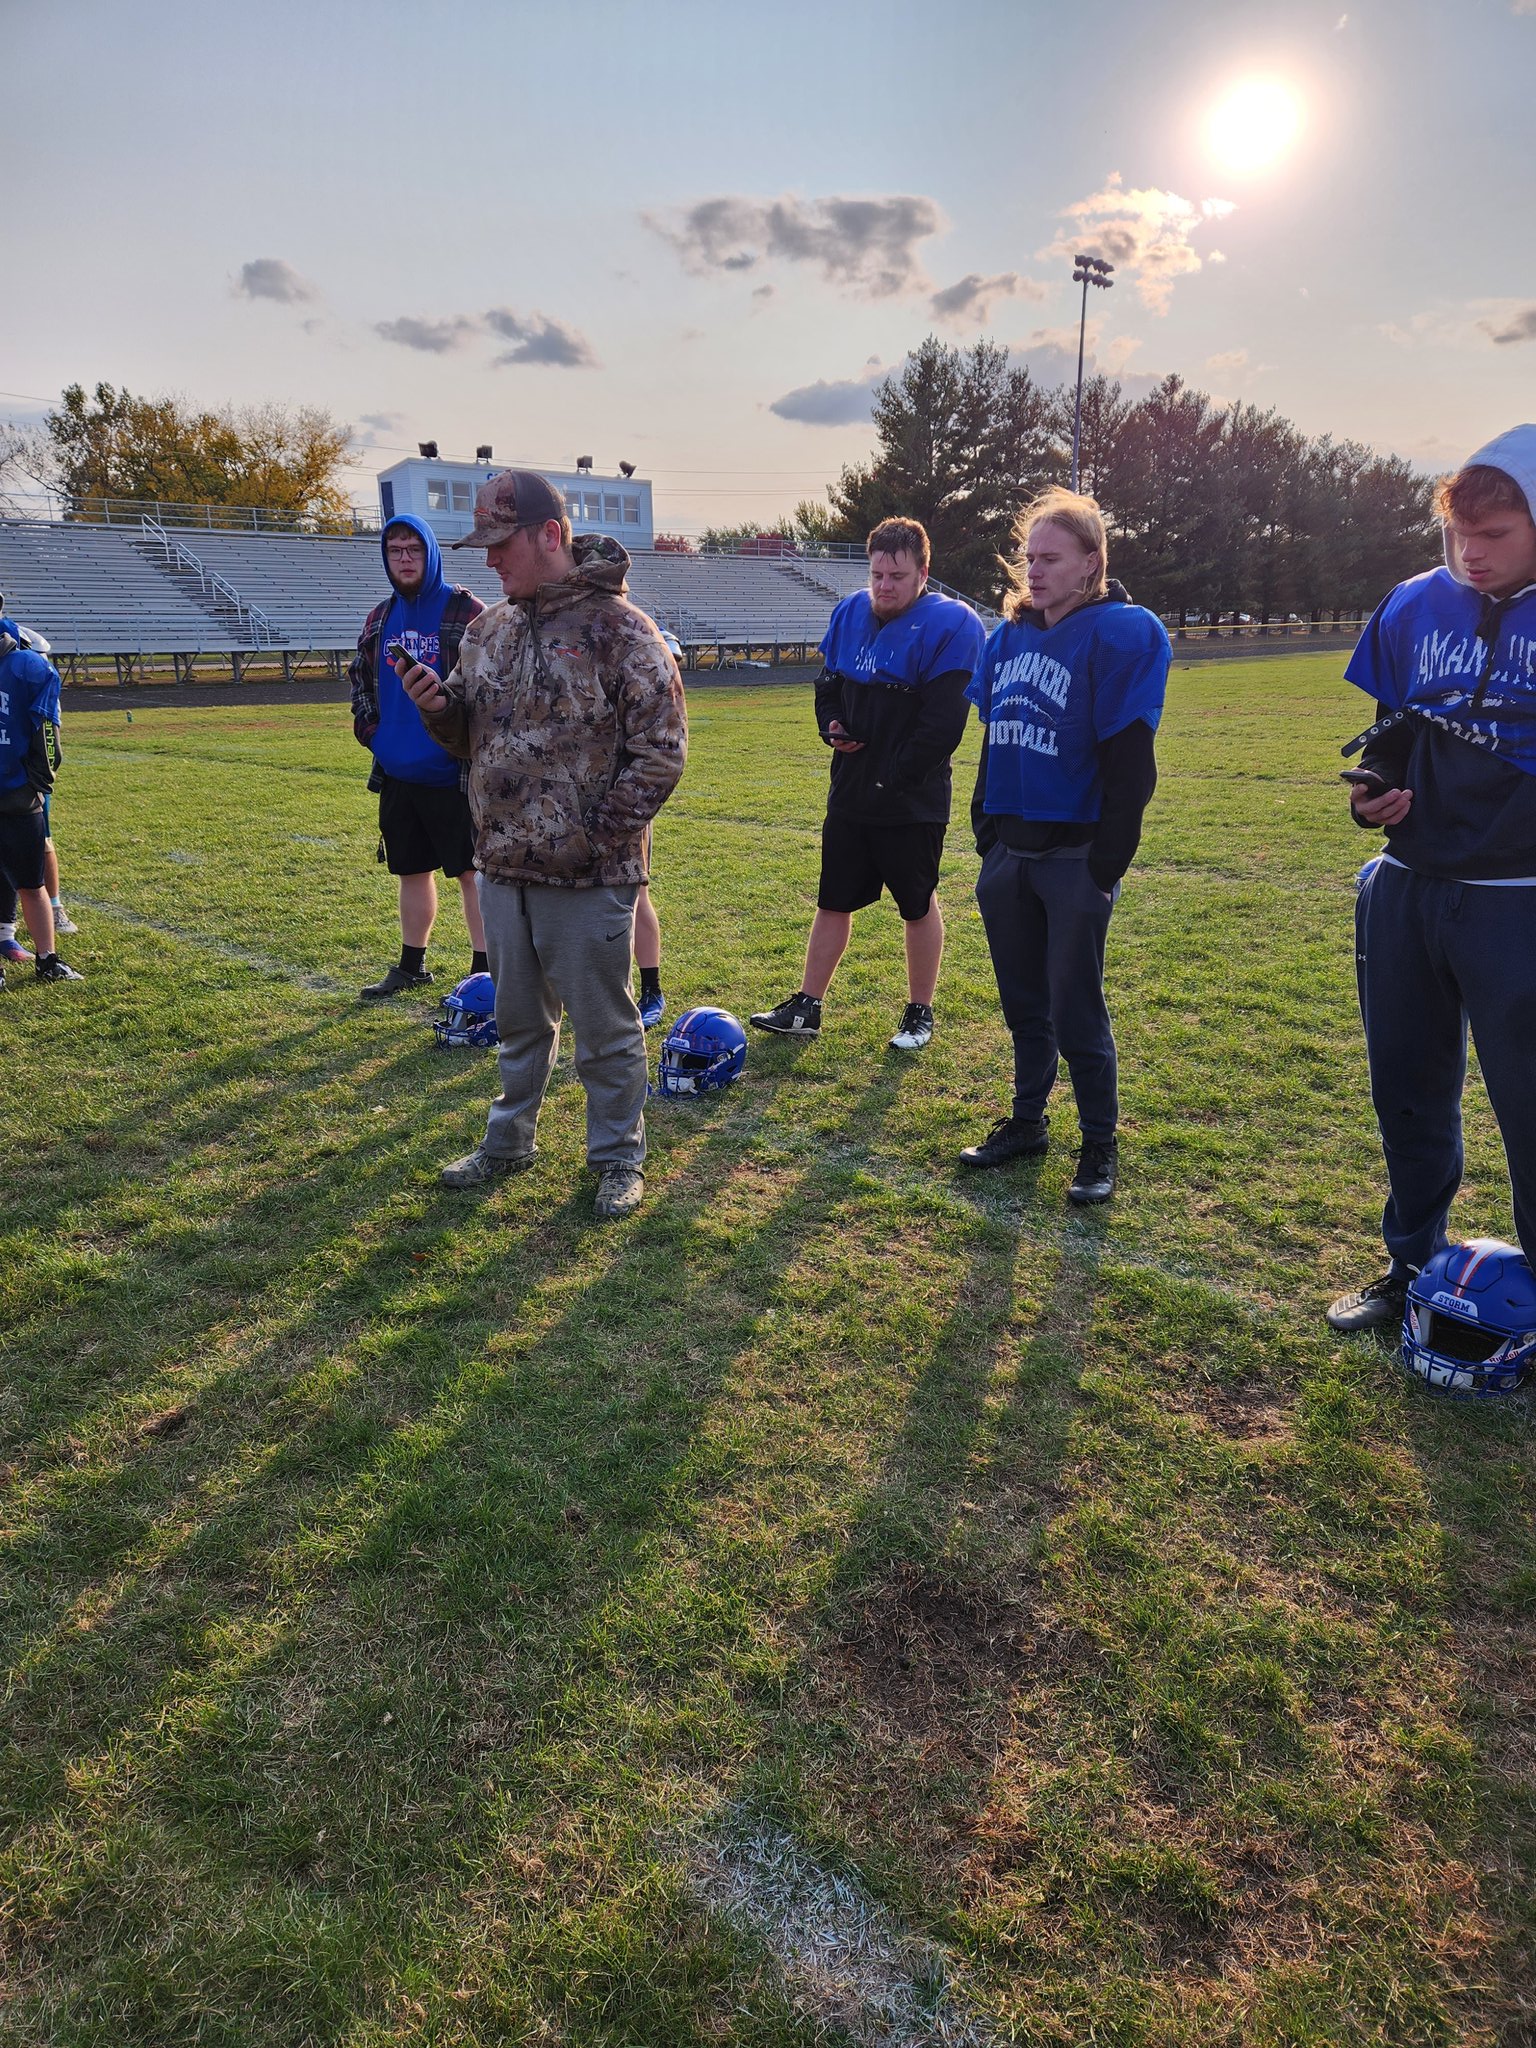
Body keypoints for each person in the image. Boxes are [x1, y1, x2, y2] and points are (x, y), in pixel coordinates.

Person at [399, 469, 687, 1220]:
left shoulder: (622, 631)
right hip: (503, 866)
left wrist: (597, 838)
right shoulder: (487, 630)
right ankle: (508, 1143)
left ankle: (618, 1159)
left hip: (589, 874)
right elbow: (470, 736)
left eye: (502, 544)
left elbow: (661, 751)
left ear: (549, 535)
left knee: (604, 1030)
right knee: (519, 1023)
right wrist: (438, 710)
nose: (489, 561)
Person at [1327, 425, 1536, 1331]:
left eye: (1494, 535)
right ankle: (1412, 1261)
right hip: (1407, 885)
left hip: (1520, 896)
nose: (1471, 555)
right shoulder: (1416, 603)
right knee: (1406, 1088)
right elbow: (1395, 730)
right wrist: (1373, 792)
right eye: (1459, 535)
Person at [959, 488, 1168, 1203]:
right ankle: (1026, 1122)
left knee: (1076, 1006)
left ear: (1090, 564)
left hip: (1075, 853)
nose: (1035, 571)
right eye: (1029, 557)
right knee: (1024, 1003)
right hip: (1011, 851)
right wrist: (986, 829)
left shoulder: (1122, 631)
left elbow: (1132, 764)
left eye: (1051, 559)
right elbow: (993, 741)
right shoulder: (1009, 636)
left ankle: (1099, 1145)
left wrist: (1106, 864)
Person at [748, 517, 985, 1051]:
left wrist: (894, 778)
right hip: (851, 787)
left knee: (917, 902)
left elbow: (942, 726)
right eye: (877, 573)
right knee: (832, 899)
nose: (884, 585)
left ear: (924, 573)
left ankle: (920, 1010)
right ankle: (807, 1005)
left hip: (911, 796)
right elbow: (827, 683)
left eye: (897, 575)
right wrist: (831, 724)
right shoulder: (851, 609)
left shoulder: (954, 624)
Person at [348, 515, 486, 999]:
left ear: (430, 553)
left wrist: (464, 744)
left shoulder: (466, 611)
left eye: (414, 549)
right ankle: (412, 966)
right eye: (395, 551)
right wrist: (375, 737)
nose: (404, 559)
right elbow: (360, 683)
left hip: (455, 774)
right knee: (410, 871)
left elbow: (493, 690)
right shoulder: (380, 618)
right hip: (399, 774)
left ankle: (483, 974)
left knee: (473, 875)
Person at [0, 615, 83, 986]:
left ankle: (47, 959)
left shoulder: (29, 667)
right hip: (18, 790)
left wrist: (38, 783)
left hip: (16, 793)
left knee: (31, 882)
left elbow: (48, 734)